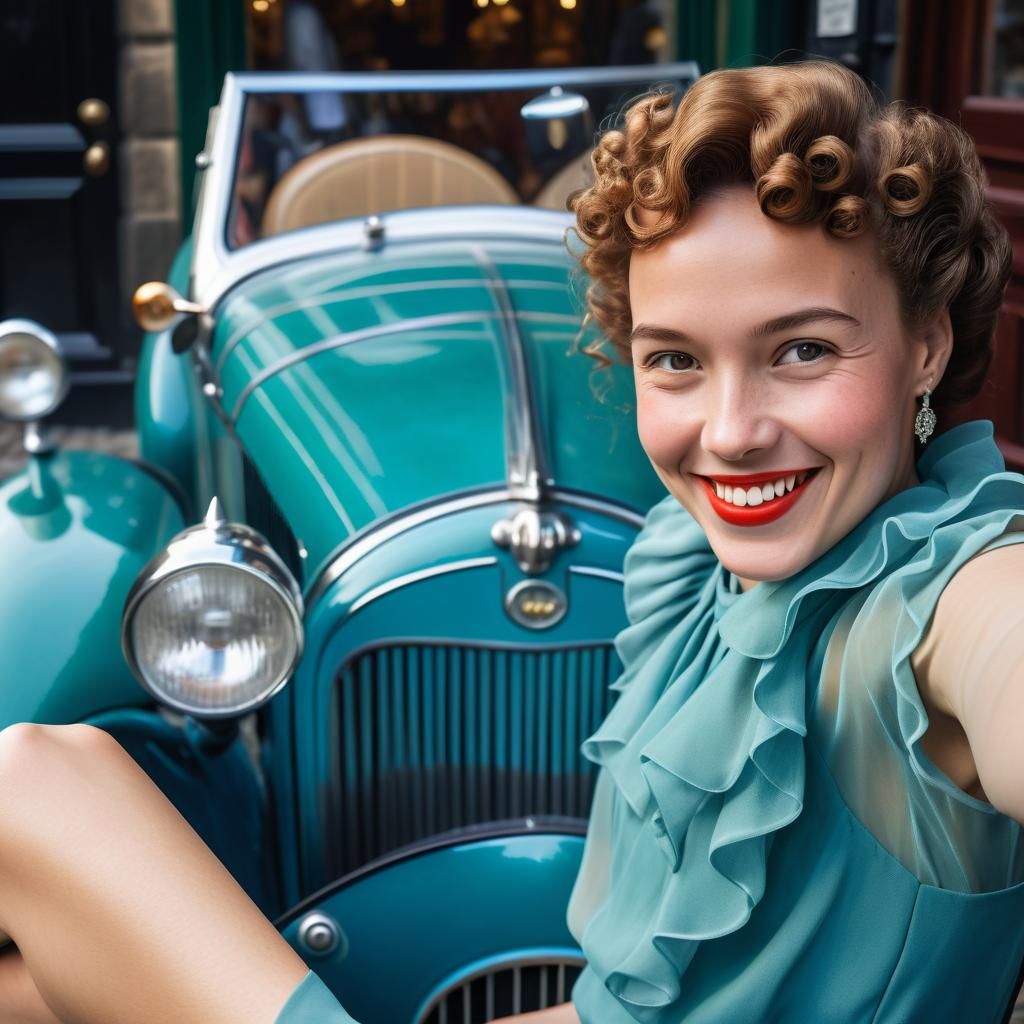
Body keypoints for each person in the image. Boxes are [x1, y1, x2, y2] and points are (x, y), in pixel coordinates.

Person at [1, 57, 1023, 1023]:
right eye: (674, 361)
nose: (729, 432)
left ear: (926, 345)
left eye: (800, 349)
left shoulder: (944, 597)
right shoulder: (695, 569)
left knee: (34, 783)